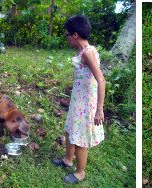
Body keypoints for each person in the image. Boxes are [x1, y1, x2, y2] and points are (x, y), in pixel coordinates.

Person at [50, 15, 106, 184]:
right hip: (78, 100)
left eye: (67, 34)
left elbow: (101, 80)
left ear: (75, 35)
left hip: (86, 103)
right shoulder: (83, 51)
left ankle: (80, 172)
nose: (66, 38)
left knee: (80, 138)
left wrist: (99, 109)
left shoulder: (88, 52)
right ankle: (68, 160)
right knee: (70, 130)